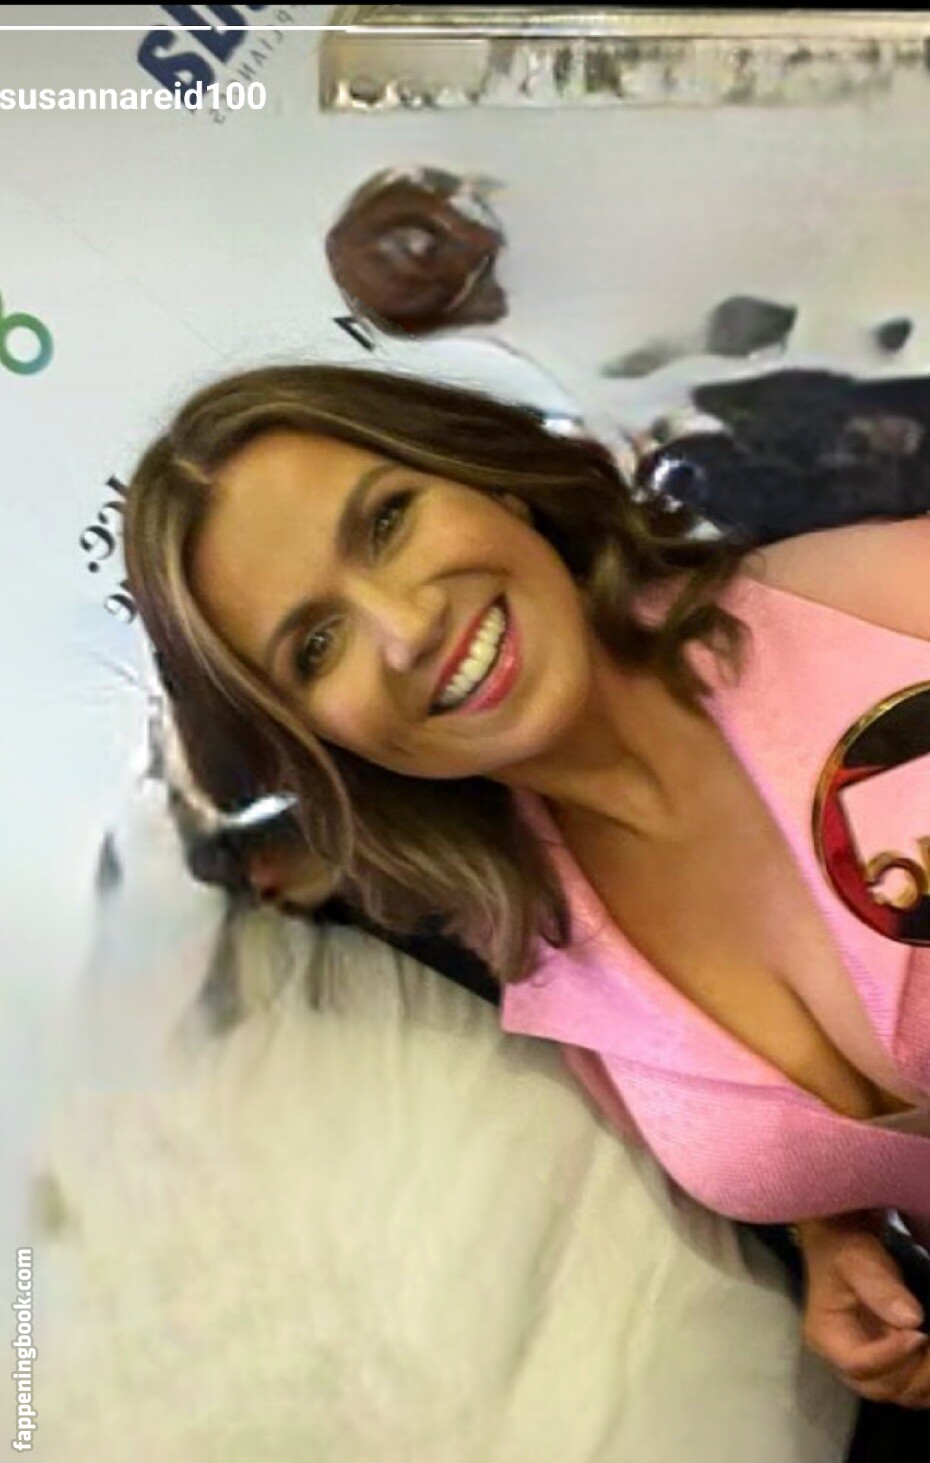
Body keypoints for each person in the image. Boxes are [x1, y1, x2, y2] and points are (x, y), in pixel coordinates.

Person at [124, 363, 930, 1415]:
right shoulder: (535, 951)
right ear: (316, 735)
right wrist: (835, 1236)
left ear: (489, 480)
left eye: (387, 521)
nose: (405, 627)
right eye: (316, 644)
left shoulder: (874, 607)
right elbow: (840, 1138)